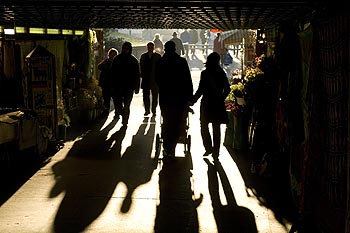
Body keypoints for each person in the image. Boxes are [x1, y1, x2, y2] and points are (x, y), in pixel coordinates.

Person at [156, 40, 193, 158]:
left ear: (165, 49)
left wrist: (162, 88)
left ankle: (167, 148)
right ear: (175, 49)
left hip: (165, 97)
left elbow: (157, 79)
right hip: (179, 98)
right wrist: (189, 97)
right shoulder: (182, 62)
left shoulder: (161, 62)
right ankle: (172, 146)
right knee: (177, 122)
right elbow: (188, 80)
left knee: (166, 122)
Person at [189, 52, 230, 160]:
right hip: (217, 103)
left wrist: (192, 100)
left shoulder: (205, 73)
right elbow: (227, 89)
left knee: (203, 125)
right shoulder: (221, 73)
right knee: (216, 128)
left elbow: (200, 90)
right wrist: (221, 98)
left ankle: (208, 147)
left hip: (206, 103)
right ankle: (216, 152)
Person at [111, 41, 141, 126]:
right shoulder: (118, 59)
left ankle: (125, 120)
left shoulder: (133, 60)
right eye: (124, 48)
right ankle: (123, 115)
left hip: (128, 87)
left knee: (127, 105)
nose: (125, 50)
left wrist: (137, 87)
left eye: (127, 49)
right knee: (118, 104)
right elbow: (113, 73)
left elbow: (137, 75)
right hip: (119, 86)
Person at [140, 42, 162, 116]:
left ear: (153, 47)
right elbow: (141, 68)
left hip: (154, 80)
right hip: (147, 80)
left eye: (151, 47)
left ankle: (153, 110)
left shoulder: (157, 56)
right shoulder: (144, 56)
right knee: (146, 96)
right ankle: (147, 110)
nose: (150, 49)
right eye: (149, 47)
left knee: (154, 97)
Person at [97, 48, 118, 116]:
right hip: (106, 84)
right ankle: (106, 112)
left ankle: (117, 112)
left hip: (114, 84)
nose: (112, 56)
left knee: (115, 99)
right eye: (111, 55)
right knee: (106, 99)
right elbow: (99, 67)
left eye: (113, 55)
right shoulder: (106, 62)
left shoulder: (117, 63)